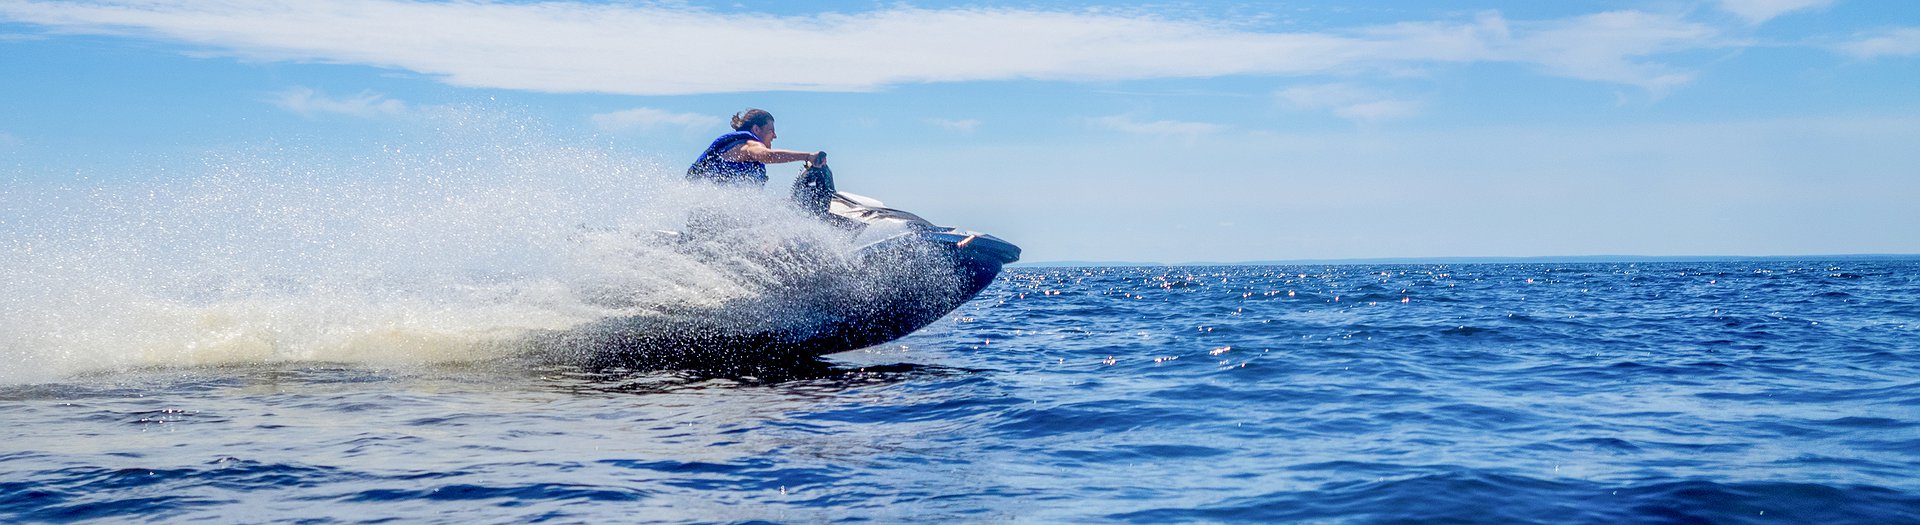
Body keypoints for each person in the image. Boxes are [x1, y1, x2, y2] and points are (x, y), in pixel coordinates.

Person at [687, 108, 826, 186]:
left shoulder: (732, 146)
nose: (775, 136)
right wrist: (808, 156)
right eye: (771, 130)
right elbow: (768, 156)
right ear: (756, 129)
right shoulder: (749, 145)